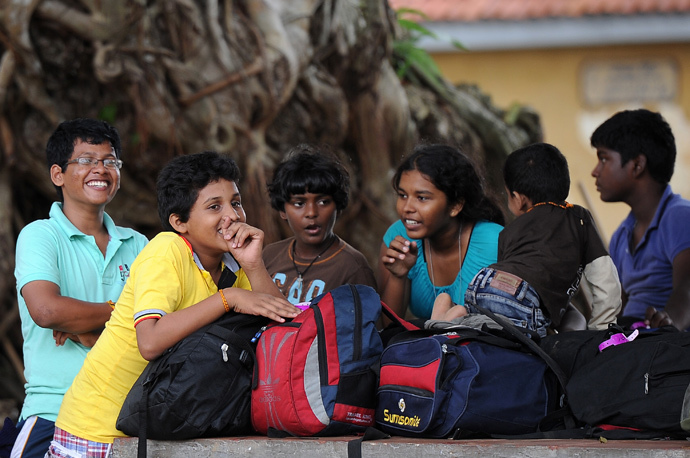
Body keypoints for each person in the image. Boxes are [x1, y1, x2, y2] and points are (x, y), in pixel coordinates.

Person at [47, 151, 299, 457]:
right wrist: (227, 299)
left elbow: (284, 328)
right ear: (179, 222)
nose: (231, 216)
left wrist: (255, 265)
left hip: (157, 432)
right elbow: (150, 341)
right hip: (95, 430)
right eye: (214, 207)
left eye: (235, 202)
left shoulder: (234, 267)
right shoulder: (167, 250)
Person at [11, 119, 148, 458]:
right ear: (58, 174)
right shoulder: (40, 235)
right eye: (86, 160)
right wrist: (120, 316)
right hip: (53, 415)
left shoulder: (139, 244)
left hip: (125, 420)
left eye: (110, 161)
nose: (100, 169)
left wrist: (85, 328)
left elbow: (162, 327)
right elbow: (47, 311)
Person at [432, 142, 621, 337]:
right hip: (521, 296)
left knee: (483, 320)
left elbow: (509, 274)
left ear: (519, 198)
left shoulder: (510, 230)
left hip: (483, 282)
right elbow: (605, 279)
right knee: (550, 329)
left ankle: (443, 322)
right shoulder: (578, 218)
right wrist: (603, 328)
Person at [378, 144, 505, 320]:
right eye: (402, 195)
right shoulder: (398, 238)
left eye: (422, 198)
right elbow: (387, 327)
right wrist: (398, 276)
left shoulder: (495, 244)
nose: (406, 208)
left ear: (455, 205)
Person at [591, 108, 690, 330]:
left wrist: (669, 323)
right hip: (633, 347)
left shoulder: (679, 216)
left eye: (604, 159)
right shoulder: (621, 236)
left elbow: (687, 287)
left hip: (667, 352)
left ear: (637, 165)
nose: (595, 171)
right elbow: (618, 309)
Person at [263, 145, 377, 304]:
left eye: (323, 202)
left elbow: (366, 326)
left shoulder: (352, 267)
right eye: (299, 203)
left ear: (337, 206)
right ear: (283, 210)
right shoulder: (270, 255)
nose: (311, 212)